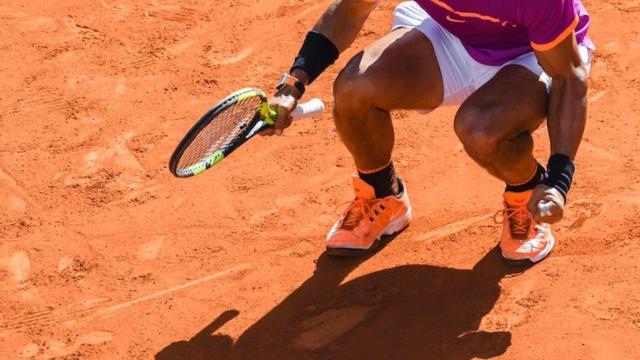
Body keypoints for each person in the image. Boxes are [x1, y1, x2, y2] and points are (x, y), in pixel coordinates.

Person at [266, 0, 593, 264]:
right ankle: (383, 194)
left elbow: (568, 76)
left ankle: (526, 193)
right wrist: (294, 82)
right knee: (355, 89)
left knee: (481, 130)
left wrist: (558, 180)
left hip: (534, 54)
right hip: (453, 33)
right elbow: (350, 10)